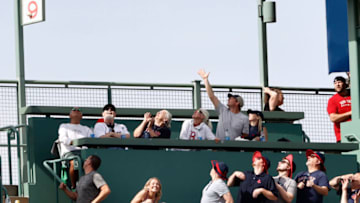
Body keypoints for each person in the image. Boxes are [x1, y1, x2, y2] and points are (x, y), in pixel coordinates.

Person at [198, 69, 249, 140]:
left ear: (237, 103)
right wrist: (205, 80)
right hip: (219, 147)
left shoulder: (244, 118)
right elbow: (212, 96)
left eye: (231, 98)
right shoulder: (222, 110)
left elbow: (245, 134)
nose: (228, 99)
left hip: (234, 149)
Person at [58, 107, 92, 189]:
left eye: (79, 111)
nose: (76, 111)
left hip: (84, 153)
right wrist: (75, 143)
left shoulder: (86, 128)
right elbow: (63, 139)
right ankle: (74, 187)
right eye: (74, 110)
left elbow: (91, 139)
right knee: (75, 163)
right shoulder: (64, 126)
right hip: (69, 153)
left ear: (81, 116)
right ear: (70, 115)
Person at [327, 76, 351, 142]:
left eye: (339, 82)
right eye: (335, 83)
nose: (337, 84)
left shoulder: (354, 95)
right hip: (343, 136)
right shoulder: (332, 100)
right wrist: (350, 113)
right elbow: (333, 118)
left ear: (345, 84)